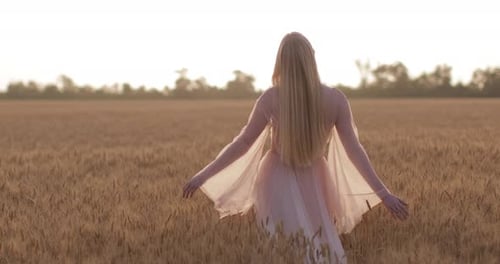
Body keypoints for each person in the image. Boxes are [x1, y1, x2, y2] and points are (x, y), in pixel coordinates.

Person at [182, 32, 409, 263]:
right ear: (311, 59)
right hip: (317, 179)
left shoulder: (271, 98)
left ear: (281, 62)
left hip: (275, 178)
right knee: (319, 249)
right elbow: (354, 150)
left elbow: (242, 143)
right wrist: (384, 194)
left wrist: (204, 175)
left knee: (280, 246)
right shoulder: (335, 99)